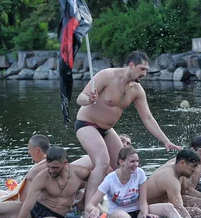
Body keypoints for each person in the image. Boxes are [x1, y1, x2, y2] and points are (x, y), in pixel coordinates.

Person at [75, 50, 181, 209]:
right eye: (142, 69)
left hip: (107, 129)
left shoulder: (137, 90)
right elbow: (79, 98)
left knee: (123, 164)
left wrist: (165, 140)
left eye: (146, 70)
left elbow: (148, 118)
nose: (145, 73)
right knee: (102, 162)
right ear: (131, 65)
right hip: (86, 124)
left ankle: (120, 204)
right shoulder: (107, 75)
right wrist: (88, 98)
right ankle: (90, 209)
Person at [84, 147, 191, 218]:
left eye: (137, 161)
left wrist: (145, 213)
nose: (136, 164)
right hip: (118, 213)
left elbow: (143, 200)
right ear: (121, 162)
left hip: (138, 211)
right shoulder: (110, 180)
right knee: (120, 216)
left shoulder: (140, 173)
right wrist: (93, 210)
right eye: (132, 162)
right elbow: (90, 204)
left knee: (169, 207)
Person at [0, 135, 50, 218]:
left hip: (19, 205)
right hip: (17, 198)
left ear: (37, 150)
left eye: (29, 149)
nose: (28, 152)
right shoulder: (44, 164)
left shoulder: (43, 166)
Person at [144, 149, 201, 218]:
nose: (195, 170)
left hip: (161, 205)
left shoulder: (177, 170)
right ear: (182, 163)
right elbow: (179, 208)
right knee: (180, 211)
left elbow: (185, 191)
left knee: (197, 211)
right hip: (146, 208)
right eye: (193, 166)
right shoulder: (171, 180)